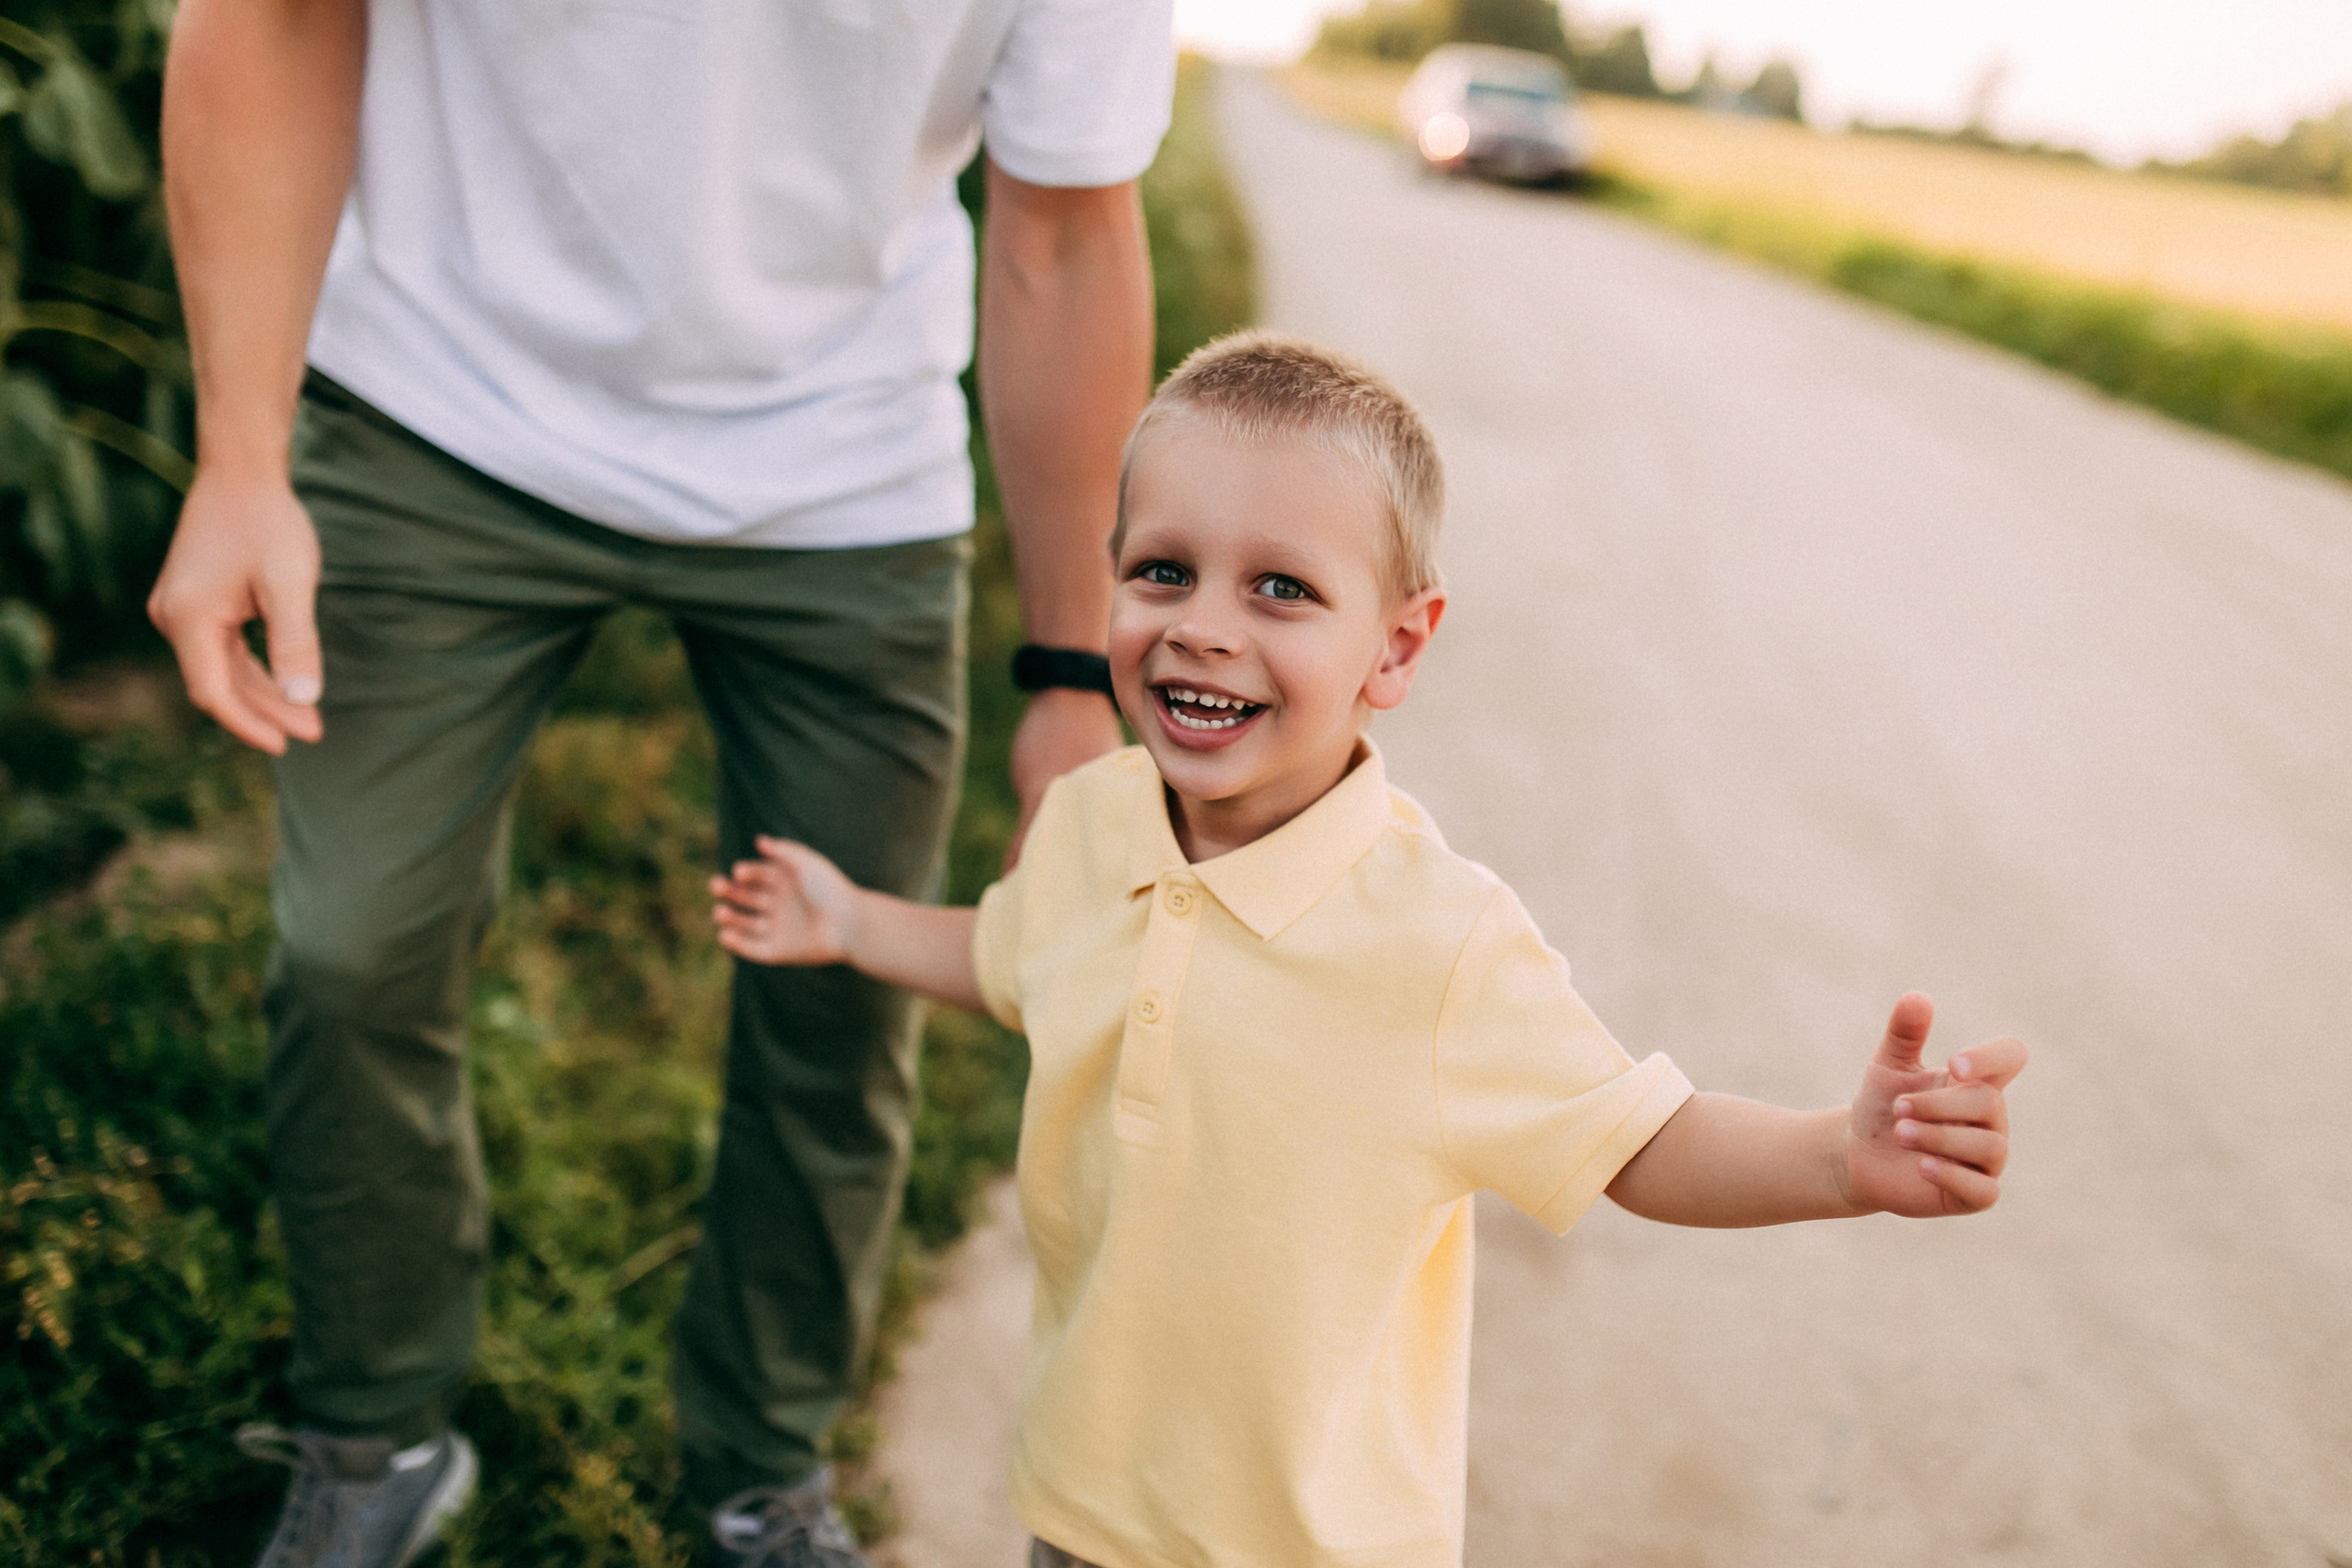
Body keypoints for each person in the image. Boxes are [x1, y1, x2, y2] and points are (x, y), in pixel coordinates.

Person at [710, 333, 2030, 1568]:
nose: (1204, 626)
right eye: (1162, 569)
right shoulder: (1092, 822)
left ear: (1394, 647)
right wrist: (854, 925)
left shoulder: (1443, 945)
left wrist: (1836, 1159)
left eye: (1281, 588)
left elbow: (1641, 1143)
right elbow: (1010, 960)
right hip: (1087, 1502)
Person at [144, 0, 1171, 1563]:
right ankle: (379, 1432)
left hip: (843, 468)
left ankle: (761, 1478)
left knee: (842, 1010)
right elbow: (275, 17)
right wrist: (238, 462)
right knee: (351, 950)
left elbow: (1064, 234)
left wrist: (1070, 672)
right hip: (439, 404)